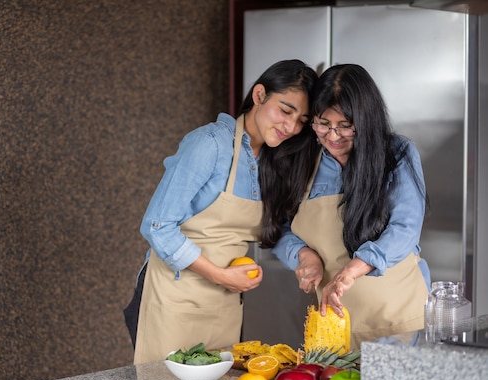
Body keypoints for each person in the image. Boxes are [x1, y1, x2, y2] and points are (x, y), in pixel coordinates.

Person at [124, 59, 318, 364]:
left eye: (301, 121)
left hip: (223, 306)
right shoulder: (209, 145)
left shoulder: (272, 161)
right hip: (172, 301)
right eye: (285, 110)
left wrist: (304, 256)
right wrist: (219, 275)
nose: (291, 127)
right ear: (259, 95)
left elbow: (275, 230)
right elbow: (157, 225)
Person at [272, 64, 430, 349]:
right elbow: (279, 228)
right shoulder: (301, 161)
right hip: (332, 327)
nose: (333, 137)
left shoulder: (397, 154)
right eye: (323, 124)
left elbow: (406, 228)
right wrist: (303, 255)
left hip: (399, 322)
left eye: (345, 126)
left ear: (366, 120)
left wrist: (352, 270)